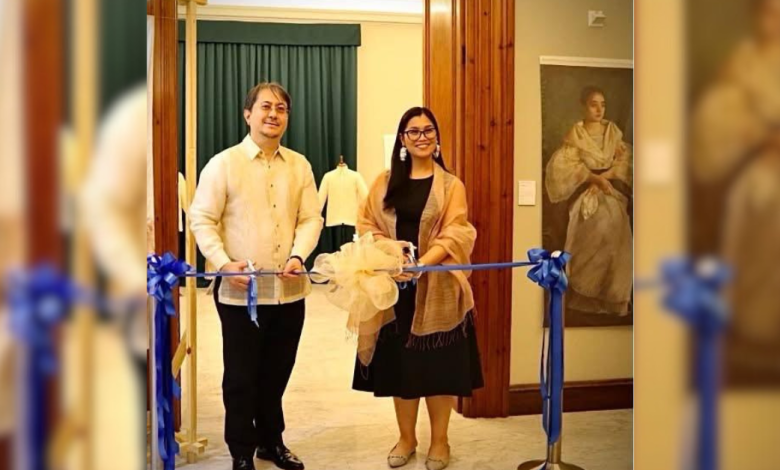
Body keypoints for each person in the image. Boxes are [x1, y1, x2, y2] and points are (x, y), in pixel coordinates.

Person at [190, 82, 323, 470]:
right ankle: (241, 451)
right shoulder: (223, 164)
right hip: (239, 294)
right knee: (241, 378)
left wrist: (299, 255)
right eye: (266, 107)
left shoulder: (300, 166)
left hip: (289, 290)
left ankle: (271, 442)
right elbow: (201, 219)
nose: (273, 114)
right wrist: (222, 262)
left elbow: (311, 218)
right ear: (248, 114)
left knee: (277, 374)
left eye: (281, 108)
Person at [352, 107, 483, 470]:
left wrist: (423, 263)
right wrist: (391, 251)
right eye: (413, 131)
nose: (422, 137)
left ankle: (440, 440)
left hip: (439, 289)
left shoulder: (451, 185)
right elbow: (366, 224)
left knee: (439, 371)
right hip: (393, 289)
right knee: (401, 370)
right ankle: (407, 438)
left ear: (436, 138)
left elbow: (457, 232)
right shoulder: (384, 182)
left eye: (428, 130)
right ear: (402, 139)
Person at [544, 86, 633, 315]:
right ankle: (585, 295)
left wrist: (605, 178)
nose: (599, 110)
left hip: (609, 189)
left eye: (602, 105)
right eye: (594, 104)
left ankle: (612, 298)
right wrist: (592, 178)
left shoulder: (612, 133)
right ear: (584, 106)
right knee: (596, 225)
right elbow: (564, 167)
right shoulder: (577, 134)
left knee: (618, 228)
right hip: (584, 191)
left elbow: (623, 162)